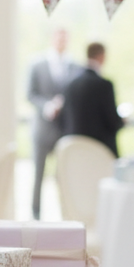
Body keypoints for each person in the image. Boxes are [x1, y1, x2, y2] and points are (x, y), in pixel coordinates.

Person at [27, 28, 82, 219]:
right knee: (38, 174)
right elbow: (30, 94)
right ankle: (35, 214)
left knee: (65, 175)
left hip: (64, 129)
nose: (62, 41)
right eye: (59, 38)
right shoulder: (37, 64)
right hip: (42, 129)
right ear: (52, 39)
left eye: (65, 38)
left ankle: (67, 213)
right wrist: (47, 106)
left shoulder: (75, 66)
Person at [61, 42, 124, 158]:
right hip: (101, 150)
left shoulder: (70, 84)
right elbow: (112, 121)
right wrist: (122, 121)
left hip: (75, 151)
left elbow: (63, 118)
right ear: (102, 56)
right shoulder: (104, 85)